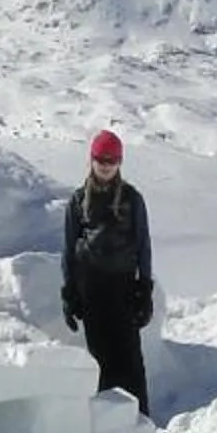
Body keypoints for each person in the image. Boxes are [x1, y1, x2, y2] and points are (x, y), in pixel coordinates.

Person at [60, 128, 154, 416]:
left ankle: (140, 424)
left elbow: (143, 245)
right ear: (92, 160)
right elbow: (68, 249)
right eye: (101, 159)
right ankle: (107, 430)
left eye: (112, 159)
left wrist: (145, 290)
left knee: (130, 362)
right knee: (101, 363)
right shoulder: (78, 201)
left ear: (120, 163)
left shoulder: (132, 199)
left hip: (123, 291)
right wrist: (69, 292)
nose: (106, 165)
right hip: (92, 294)